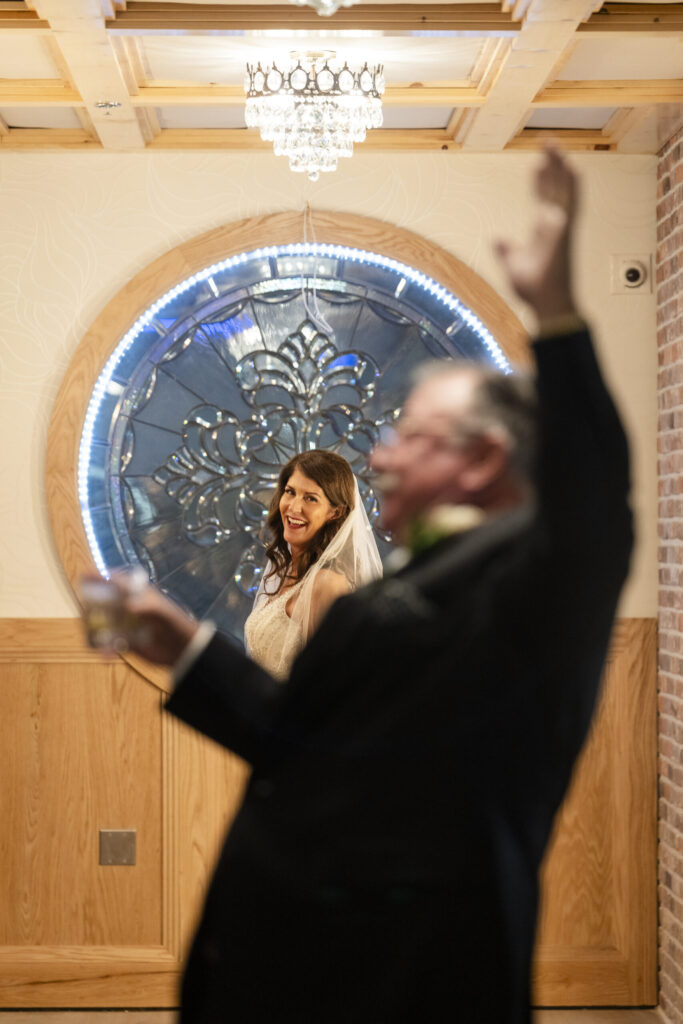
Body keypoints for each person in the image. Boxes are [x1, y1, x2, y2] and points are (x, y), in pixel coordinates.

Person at [87, 147, 633, 1023]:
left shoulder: (532, 599)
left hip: (412, 979)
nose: (377, 454)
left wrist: (559, 317)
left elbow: (596, 508)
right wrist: (179, 647)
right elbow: (304, 745)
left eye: (410, 434)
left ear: (481, 459)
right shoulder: (391, 591)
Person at [244, 449, 383, 679]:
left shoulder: (327, 584)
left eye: (310, 498)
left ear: (335, 512)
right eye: (290, 492)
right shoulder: (286, 569)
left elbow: (325, 684)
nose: (294, 507)